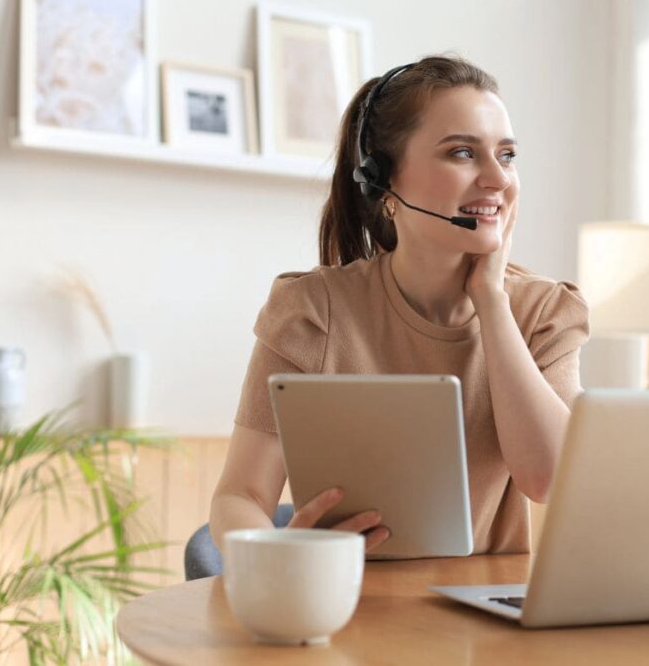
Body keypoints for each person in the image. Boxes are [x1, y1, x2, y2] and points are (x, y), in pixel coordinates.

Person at [209, 55, 589, 555]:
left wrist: (492, 302)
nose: (498, 179)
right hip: (349, 609)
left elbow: (549, 479)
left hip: (491, 620)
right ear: (385, 183)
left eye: (507, 155)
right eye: (462, 153)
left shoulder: (543, 312)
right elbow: (241, 495)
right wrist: (286, 557)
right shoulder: (312, 313)